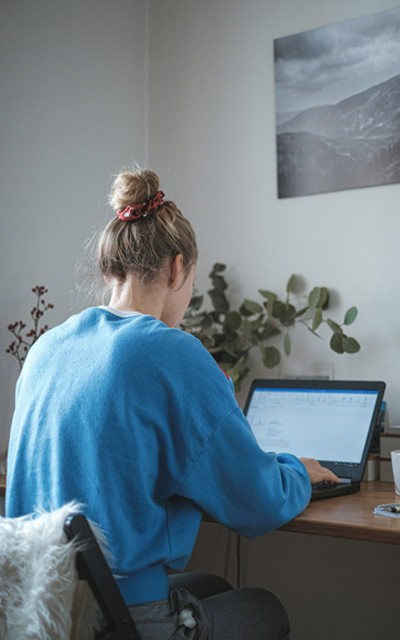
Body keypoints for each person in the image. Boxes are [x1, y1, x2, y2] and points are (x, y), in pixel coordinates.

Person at [6, 168, 339, 640]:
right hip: (115, 617)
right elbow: (258, 502)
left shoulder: (45, 349)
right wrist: (297, 471)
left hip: (42, 610)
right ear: (177, 268)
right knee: (263, 606)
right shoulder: (169, 350)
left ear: (110, 269)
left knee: (216, 586)